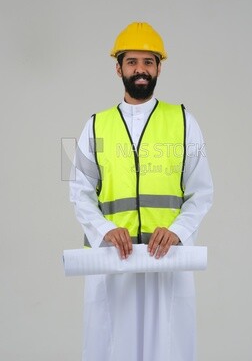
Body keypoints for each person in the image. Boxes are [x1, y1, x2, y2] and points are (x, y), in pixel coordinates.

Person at [70, 21, 213, 361]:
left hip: (165, 260)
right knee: (109, 348)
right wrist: (105, 230)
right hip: (112, 261)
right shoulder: (93, 125)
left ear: (159, 68)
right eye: (132, 62)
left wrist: (177, 231)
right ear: (118, 67)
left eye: (148, 62)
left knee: (169, 348)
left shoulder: (184, 121)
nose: (140, 70)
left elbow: (202, 191)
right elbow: (77, 191)